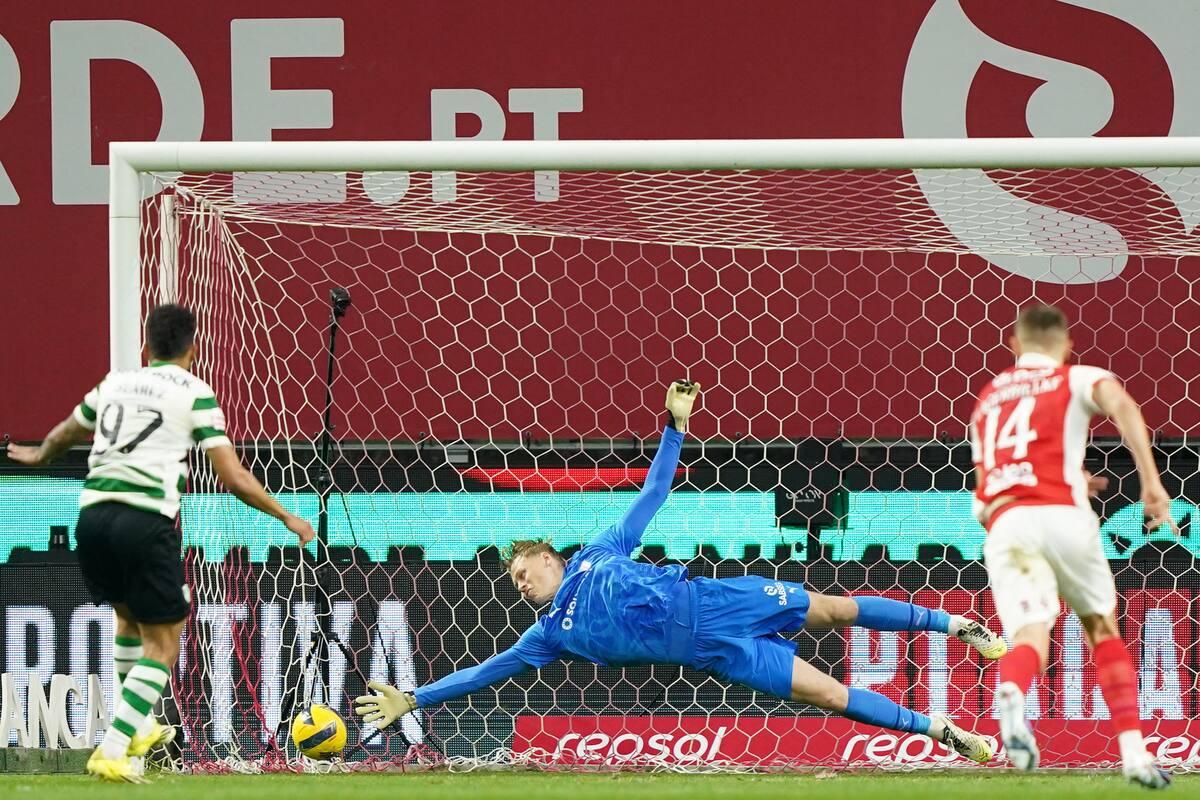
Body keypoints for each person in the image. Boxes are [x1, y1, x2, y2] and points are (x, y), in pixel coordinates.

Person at [356, 380, 1006, 764]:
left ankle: (957, 624)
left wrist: (675, 426)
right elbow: (482, 672)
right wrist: (414, 697)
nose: (520, 585)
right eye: (515, 584)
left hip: (724, 601)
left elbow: (655, 492)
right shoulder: (546, 635)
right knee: (832, 698)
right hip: (716, 653)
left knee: (835, 608)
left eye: (524, 572)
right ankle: (942, 732)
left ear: (550, 557)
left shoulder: (602, 551)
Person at [5, 304, 315, 782]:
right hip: (145, 522)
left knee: (128, 620)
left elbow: (70, 431)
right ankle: (111, 747)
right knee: (166, 641)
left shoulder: (114, 383)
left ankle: (142, 725)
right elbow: (231, 477)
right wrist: (287, 515)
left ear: (144, 346)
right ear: (194, 348)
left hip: (92, 517)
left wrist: (38, 453)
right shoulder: (195, 392)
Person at [970, 303, 1174, 789]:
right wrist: (1151, 483)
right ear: (1067, 346)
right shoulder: (1078, 377)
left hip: (1006, 522)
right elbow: (1123, 406)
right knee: (1101, 625)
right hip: (1062, 514)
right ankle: (1133, 755)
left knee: (1029, 639)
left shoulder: (988, 399)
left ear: (1014, 345)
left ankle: (1013, 692)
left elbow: (987, 485)